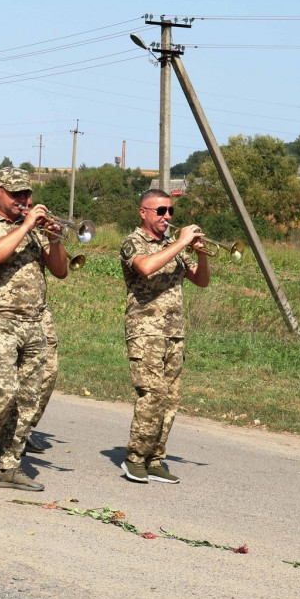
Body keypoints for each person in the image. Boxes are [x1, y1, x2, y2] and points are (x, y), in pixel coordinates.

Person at [0, 167, 69, 492]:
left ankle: (9, 466)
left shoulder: (36, 230)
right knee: (4, 391)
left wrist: (53, 236)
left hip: (34, 321)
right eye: (16, 194)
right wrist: (25, 226)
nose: (23, 200)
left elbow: (60, 271)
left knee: (28, 399)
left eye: (27, 194)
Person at [119, 189, 209, 484]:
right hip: (145, 331)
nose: (167, 217)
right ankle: (134, 458)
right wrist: (181, 241)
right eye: (160, 211)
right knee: (152, 394)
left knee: (170, 399)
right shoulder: (133, 243)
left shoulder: (175, 246)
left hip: (174, 333)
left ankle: (155, 459)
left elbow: (202, 280)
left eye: (170, 211)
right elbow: (145, 268)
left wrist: (198, 252)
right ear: (143, 212)